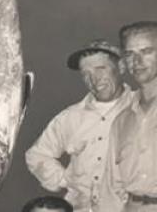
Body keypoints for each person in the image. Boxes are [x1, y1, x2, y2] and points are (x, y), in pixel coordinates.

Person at [26, 39, 133, 212]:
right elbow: (36, 155)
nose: (94, 79)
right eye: (86, 73)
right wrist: (64, 180)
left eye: (100, 69)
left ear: (121, 67)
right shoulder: (70, 117)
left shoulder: (144, 110)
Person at [96, 21, 157, 212]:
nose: (137, 62)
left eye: (146, 51)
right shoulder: (122, 121)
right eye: (130, 54)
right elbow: (111, 188)